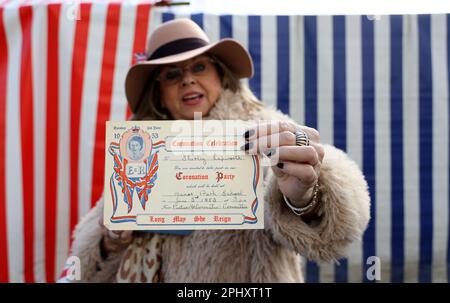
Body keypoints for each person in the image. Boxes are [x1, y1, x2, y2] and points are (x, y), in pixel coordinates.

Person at [69, 18, 370, 283]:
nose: (187, 78)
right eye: (172, 74)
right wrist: (109, 240)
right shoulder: (139, 151)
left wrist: (306, 196)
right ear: (158, 94)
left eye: (199, 66)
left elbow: (338, 233)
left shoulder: (266, 132)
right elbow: (83, 267)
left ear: (220, 75)